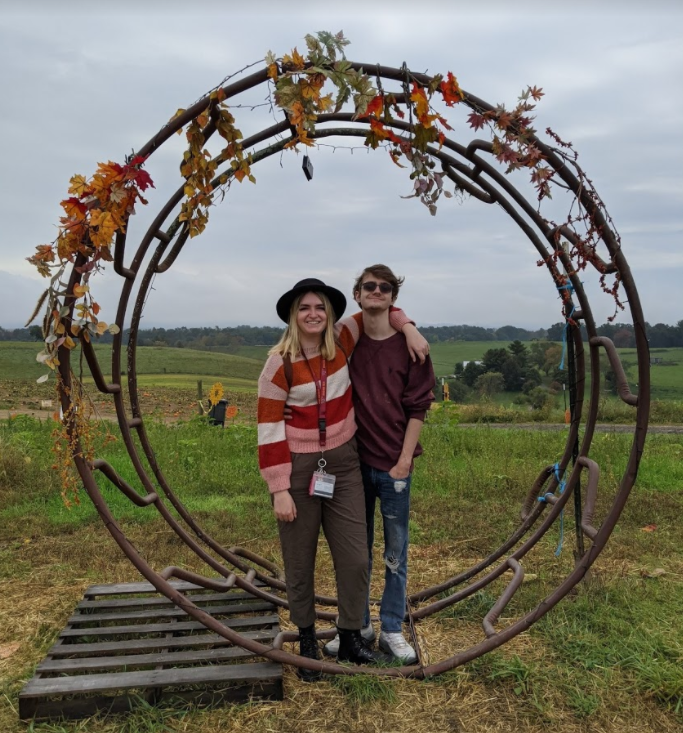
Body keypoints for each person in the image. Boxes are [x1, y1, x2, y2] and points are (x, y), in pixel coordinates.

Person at [257, 277, 426, 681]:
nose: (313, 314)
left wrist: (408, 326)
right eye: (304, 308)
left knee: (355, 557)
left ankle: (351, 636)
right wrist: (279, 488)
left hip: (344, 465)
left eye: (319, 308)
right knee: (300, 559)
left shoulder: (342, 340)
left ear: (330, 314)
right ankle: (309, 638)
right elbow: (268, 429)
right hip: (298, 469)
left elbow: (377, 309)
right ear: (293, 316)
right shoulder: (277, 363)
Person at [323, 265, 435, 664]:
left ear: (393, 296)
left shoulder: (413, 348)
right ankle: (357, 625)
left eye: (385, 288)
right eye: (369, 286)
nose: (376, 292)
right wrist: (407, 323)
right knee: (357, 550)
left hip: (393, 466)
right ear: (357, 293)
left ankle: (390, 628)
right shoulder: (347, 340)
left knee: (395, 551)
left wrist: (404, 461)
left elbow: (419, 407)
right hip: (353, 465)